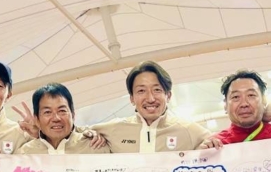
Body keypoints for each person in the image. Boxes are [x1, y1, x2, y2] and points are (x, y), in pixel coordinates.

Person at [78, 62, 221, 152]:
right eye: (141, 91)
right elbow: (76, 133)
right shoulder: (115, 128)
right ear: (132, 98)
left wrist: (208, 147)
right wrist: (91, 134)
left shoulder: (188, 129)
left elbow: (221, 145)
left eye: (157, 90)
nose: (150, 98)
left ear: (168, 95)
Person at [15, 83, 108, 155]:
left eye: (62, 111)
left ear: (73, 115)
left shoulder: (95, 146)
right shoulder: (25, 154)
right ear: (37, 120)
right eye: (47, 112)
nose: (56, 118)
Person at [212, 71, 271, 144]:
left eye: (251, 95)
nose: (244, 104)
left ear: (264, 101)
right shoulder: (215, 144)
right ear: (225, 105)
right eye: (236, 97)